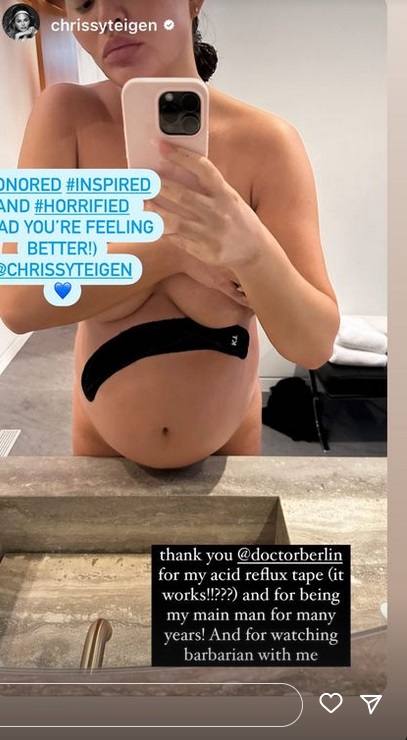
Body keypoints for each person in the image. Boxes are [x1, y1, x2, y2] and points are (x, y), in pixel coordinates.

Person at [0, 0, 339, 468]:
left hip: (228, 453)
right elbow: (19, 303)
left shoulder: (266, 143)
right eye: (83, 3)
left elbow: (314, 344)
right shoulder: (65, 117)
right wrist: (174, 250)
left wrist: (252, 250)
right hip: (103, 453)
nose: (107, 18)